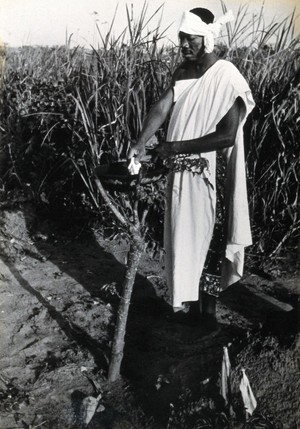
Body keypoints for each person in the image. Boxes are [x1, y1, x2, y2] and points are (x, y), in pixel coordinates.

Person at [127, 7, 255, 324]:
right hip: (181, 173)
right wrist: (141, 142)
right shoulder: (182, 73)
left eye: (190, 39)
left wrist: (174, 147)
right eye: (181, 38)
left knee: (210, 244)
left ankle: (207, 317)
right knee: (182, 238)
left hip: (212, 174)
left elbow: (226, 135)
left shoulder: (227, 77)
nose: (183, 45)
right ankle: (186, 305)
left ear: (207, 38)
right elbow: (161, 108)